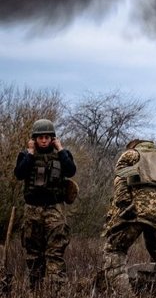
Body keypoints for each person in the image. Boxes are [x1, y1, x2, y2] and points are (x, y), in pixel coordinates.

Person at [101, 139, 156, 293]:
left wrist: (124, 205)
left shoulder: (132, 155)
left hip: (139, 208)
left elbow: (120, 179)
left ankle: (125, 294)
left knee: (115, 250)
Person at [13, 118, 77, 289]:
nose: (44, 140)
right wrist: (30, 153)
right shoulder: (26, 155)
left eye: (47, 137)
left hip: (55, 208)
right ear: (34, 138)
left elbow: (71, 170)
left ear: (52, 138)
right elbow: (19, 174)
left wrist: (61, 149)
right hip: (32, 209)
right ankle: (35, 289)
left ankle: (57, 289)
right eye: (40, 137)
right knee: (33, 253)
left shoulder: (62, 155)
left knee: (55, 251)